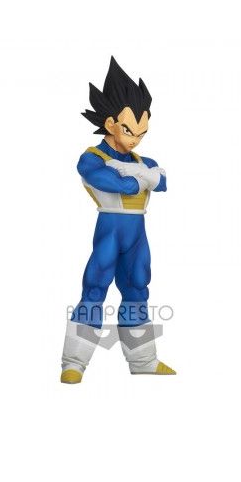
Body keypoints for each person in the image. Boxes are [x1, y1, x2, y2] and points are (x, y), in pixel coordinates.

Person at [60, 57, 176, 384]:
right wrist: (143, 178)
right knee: (95, 287)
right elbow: (111, 182)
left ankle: (143, 360)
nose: (136, 139)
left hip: (137, 233)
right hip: (110, 230)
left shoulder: (144, 159)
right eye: (129, 130)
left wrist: (138, 174)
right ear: (111, 123)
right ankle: (74, 362)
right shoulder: (92, 157)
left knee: (138, 287)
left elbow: (163, 183)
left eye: (142, 132)